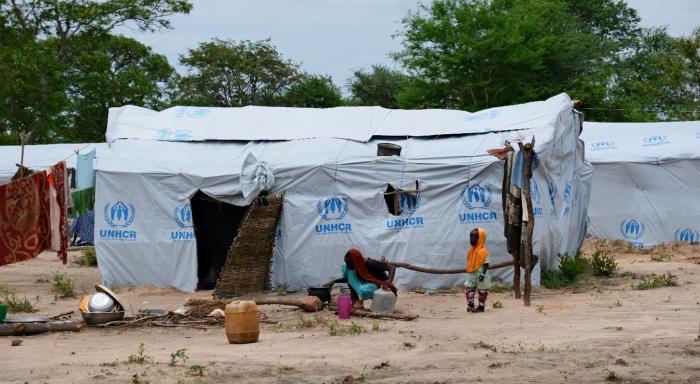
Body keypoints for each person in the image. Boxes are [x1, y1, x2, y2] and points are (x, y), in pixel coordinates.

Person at [323, 248, 397, 309]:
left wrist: (388, 283)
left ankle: (369, 299)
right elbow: (348, 279)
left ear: (356, 261)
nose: (348, 266)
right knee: (348, 272)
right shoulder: (353, 267)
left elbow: (392, 268)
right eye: (347, 263)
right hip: (368, 283)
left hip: (380, 285)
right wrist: (333, 281)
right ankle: (356, 298)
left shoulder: (370, 263)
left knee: (363, 290)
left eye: (349, 263)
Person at [465, 227, 491, 313]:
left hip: (480, 274)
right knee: (469, 289)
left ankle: (481, 307)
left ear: (480, 239)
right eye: (470, 237)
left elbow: (486, 263)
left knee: (482, 291)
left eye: (473, 238)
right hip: (472, 273)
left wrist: (483, 274)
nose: (471, 240)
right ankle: (471, 305)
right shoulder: (471, 250)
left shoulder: (483, 251)